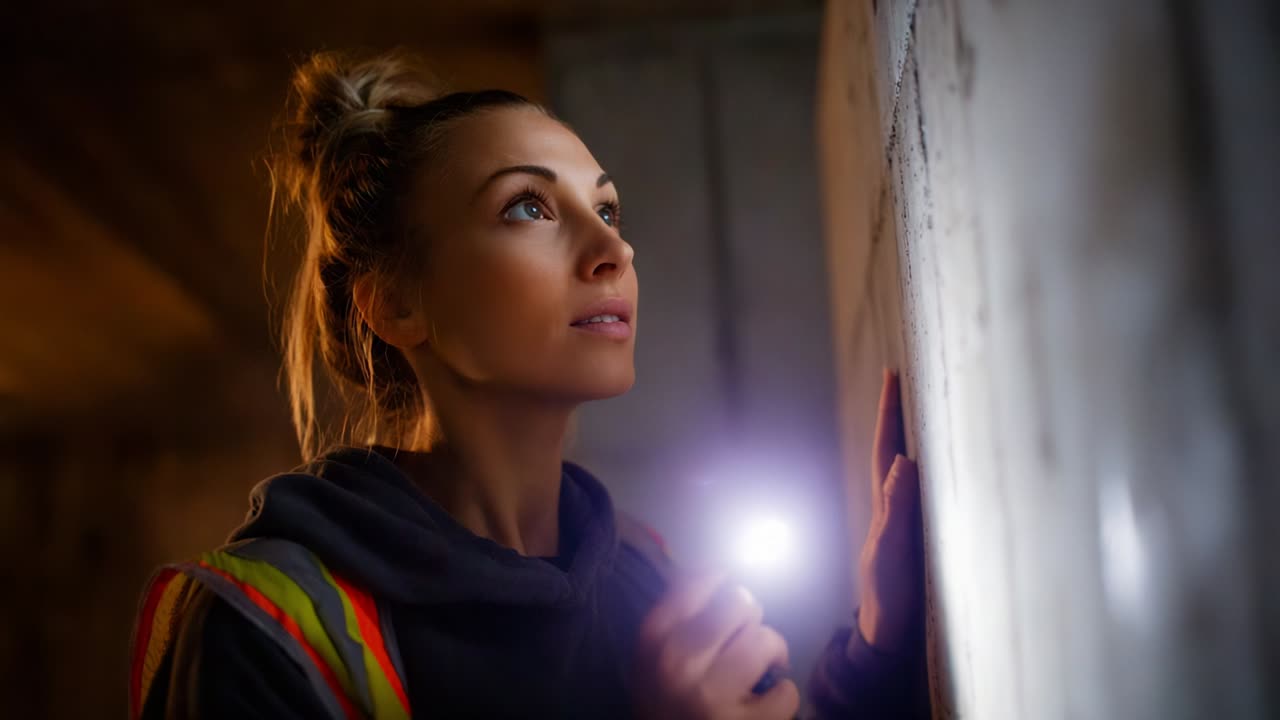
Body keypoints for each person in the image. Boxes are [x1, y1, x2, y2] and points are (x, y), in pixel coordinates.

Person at [129, 50, 929, 720]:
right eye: (526, 208)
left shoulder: (646, 571)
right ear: (397, 303)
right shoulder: (258, 629)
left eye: (607, 209)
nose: (612, 252)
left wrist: (878, 646)